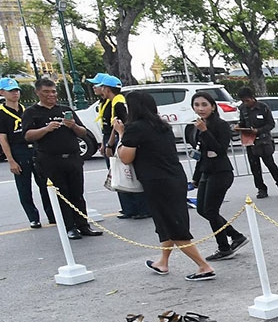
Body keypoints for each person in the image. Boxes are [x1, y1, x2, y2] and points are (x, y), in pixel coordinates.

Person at [115, 92, 216, 281]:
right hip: (174, 178)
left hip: (157, 182)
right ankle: (163, 262)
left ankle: (204, 266)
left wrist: (121, 134)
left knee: (173, 225)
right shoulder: (162, 125)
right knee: (166, 222)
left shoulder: (135, 128)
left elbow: (126, 157)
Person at [21, 78, 101, 239]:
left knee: (77, 193)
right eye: (46, 92)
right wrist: (46, 129)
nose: (51, 95)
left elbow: (83, 132)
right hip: (50, 159)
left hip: (72, 158)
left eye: (53, 92)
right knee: (61, 194)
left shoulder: (64, 110)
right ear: (37, 92)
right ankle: (69, 227)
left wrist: (73, 125)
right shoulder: (32, 112)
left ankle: (83, 225)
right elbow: (28, 135)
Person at [187, 91, 248, 262]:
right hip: (206, 171)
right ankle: (236, 236)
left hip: (221, 172)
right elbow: (200, 153)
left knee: (211, 211)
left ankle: (224, 247)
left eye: (204, 105)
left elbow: (220, 150)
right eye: (197, 105)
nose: (200, 108)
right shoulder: (197, 125)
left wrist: (205, 131)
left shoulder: (219, 125)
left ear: (213, 106)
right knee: (202, 209)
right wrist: (195, 178)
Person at [88, 73, 149, 221]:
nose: (94, 88)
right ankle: (129, 208)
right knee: (118, 173)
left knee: (127, 172)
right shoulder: (107, 102)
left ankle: (140, 208)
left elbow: (119, 125)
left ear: (106, 88)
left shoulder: (118, 102)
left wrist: (110, 144)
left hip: (117, 139)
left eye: (97, 85)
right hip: (110, 138)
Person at [0, 77, 55, 229]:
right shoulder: (2, 113)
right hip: (18, 150)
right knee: (24, 187)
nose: (15, 94)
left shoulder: (27, 110)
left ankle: (52, 214)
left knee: (45, 184)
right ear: (2, 93)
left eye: (17, 90)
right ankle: (33, 217)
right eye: (11, 91)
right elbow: (3, 139)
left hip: (35, 149)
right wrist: (11, 160)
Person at [236, 87, 278, 199]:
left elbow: (271, 124)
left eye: (247, 100)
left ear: (252, 97)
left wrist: (258, 130)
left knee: (270, 164)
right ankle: (261, 189)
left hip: (263, 140)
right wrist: (239, 127)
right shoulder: (243, 109)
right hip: (250, 141)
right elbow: (242, 122)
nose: (246, 103)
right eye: (243, 101)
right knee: (255, 167)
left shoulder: (263, 108)